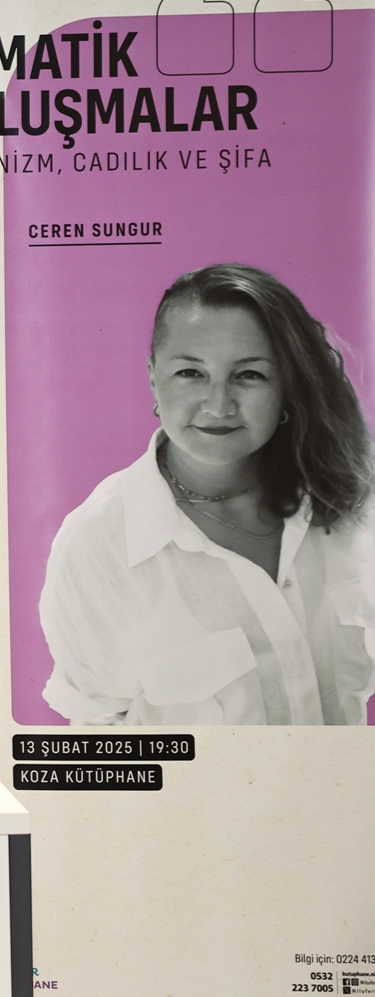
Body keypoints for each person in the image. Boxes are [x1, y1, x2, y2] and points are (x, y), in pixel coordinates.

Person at [41, 264, 375, 725]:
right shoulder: (99, 545)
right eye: (190, 372)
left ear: (287, 385)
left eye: (249, 375)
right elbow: (96, 729)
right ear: (153, 377)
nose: (219, 406)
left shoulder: (355, 502)